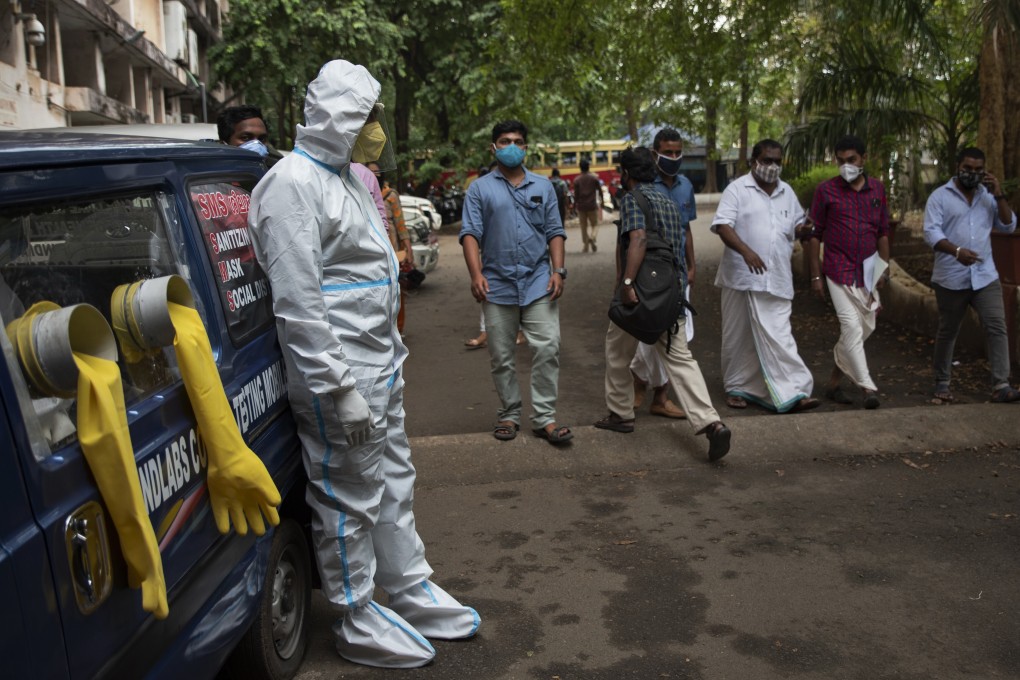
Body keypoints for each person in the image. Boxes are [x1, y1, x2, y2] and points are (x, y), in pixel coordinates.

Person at [248, 60, 478, 669]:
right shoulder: (291, 184)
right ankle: (354, 613)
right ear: (339, 115)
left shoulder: (347, 177)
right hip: (341, 381)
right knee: (346, 496)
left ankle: (405, 586)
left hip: (379, 367)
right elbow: (297, 304)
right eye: (368, 115)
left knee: (392, 481)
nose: (376, 127)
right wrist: (337, 389)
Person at [595, 146, 731, 462]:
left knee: (617, 352)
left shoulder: (632, 199)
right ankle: (712, 423)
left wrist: (627, 283)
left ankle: (620, 415)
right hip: (670, 294)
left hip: (639, 295)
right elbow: (678, 246)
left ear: (625, 174)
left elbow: (639, 239)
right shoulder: (668, 202)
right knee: (681, 360)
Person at [460, 120, 571, 445]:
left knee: (548, 345)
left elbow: (555, 232)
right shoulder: (480, 189)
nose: (513, 146)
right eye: (506, 141)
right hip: (497, 284)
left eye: (519, 141)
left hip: (539, 281)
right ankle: (509, 413)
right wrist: (476, 274)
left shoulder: (543, 187)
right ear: (493, 147)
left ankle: (544, 418)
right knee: (501, 355)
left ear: (526, 147)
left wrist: (558, 270)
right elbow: (470, 234)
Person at [711, 139, 819, 413]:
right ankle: (737, 387)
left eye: (777, 161)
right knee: (738, 336)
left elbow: (797, 226)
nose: (772, 166)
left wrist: (805, 229)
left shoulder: (787, 192)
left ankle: (795, 390)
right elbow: (722, 225)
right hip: (741, 278)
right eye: (767, 160)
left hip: (778, 278)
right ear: (753, 162)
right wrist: (746, 252)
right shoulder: (737, 189)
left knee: (780, 335)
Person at [923, 146, 1019, 403]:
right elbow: (931, 233)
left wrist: (999, 195)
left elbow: (1009, 226)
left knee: (997, 327)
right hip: (951, 277)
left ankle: (1001, 385)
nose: (972, 174)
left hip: (985, 275)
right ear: (957, 167)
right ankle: (942, 382)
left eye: (978, 170)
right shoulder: (939, 197)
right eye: (967, 168)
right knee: (949, 330)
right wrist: (956, 251)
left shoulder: (987, 197)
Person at [808, 135, 890, 409]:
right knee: (851, 326)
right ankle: (867, 387)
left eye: (851, 160)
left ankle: (832, 384)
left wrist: (883, 269)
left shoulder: (877, 190)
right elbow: (814, 234)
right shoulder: (825, 191)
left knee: (863, 328)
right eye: (841, 161)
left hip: (867, 272)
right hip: (836, 269)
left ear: (863, 159)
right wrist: (816, 275)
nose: (846, 165)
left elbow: (883, 233)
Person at [629, 127, 701, 419]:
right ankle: (641, 381)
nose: (673, 157)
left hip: (679, 274)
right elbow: (634, 235)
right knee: (652, 332)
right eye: (667, 152)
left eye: (677, 152)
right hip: (652, 275)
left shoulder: (685, 185)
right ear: (655, 153)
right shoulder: (645, 185)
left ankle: (660, 394)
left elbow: (686, 229)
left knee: (674, 336)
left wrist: (692, 264)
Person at [367, 162, 414, 334]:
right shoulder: (360, 192)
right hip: (371, 252)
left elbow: (401, 224)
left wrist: (408, 250)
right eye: (370, 172)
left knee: (397, 289)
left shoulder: (391, 195)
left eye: (377, 173)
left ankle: (398, 328)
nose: (375, 176)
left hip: (392, 250)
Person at [573, 158, 602, 252]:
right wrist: (603, 201)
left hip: (581, 206)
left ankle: (585, 247)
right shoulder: (594, 178)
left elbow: (575, 195)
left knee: (583, 227)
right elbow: (600, 190)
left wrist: (574, 205)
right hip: (592, 206)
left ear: (580, 168)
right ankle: (592, 237)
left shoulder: (577, 180)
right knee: (595, 224)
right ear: (588, 167)